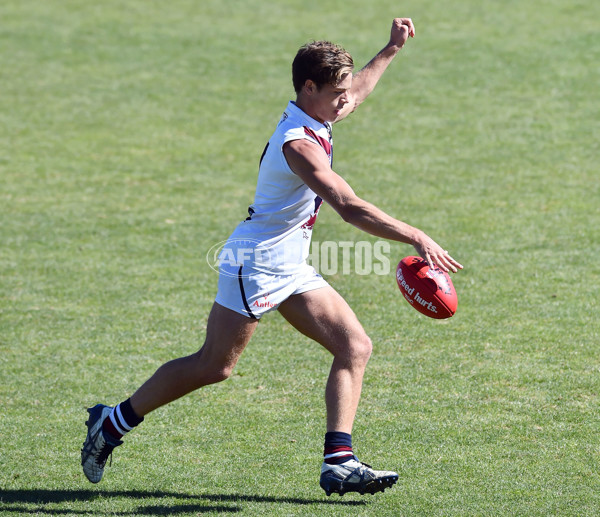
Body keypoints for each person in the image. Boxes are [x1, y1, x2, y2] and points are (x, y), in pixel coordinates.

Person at [81, 17, 462, 497]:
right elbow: (348, 206)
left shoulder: (321, 113)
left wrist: (390, 48)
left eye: (345, 91)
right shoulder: (298, 144)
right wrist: (416, 236)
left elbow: (359, 90)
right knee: (214, 366)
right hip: (255, 262)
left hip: (291, 263)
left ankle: (338, 463)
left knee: (354, 347)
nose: (347, 100)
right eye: (337, 92)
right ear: (309, 87)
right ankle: (110, 423)